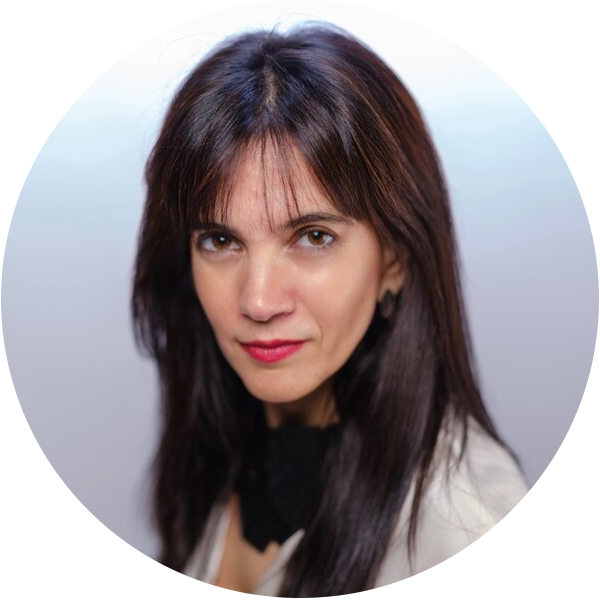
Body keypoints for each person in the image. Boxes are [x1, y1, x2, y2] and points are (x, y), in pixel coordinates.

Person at [132, 24, 586, 600]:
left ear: (395, 258)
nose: (259, 301)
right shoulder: (221, 452)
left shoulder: (481, 556)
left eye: (313, 236)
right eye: (221, 241)